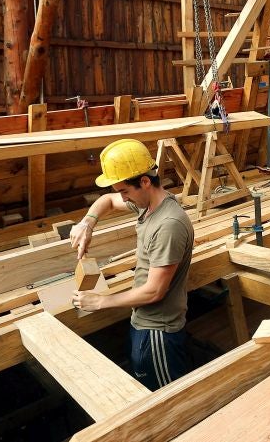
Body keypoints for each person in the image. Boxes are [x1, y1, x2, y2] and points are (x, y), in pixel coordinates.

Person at [69, 138, 194, 390]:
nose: (122, 197)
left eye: (125, 191)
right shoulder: (148, 205)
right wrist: (87, 223)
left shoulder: (168, 225)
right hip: (144, 323)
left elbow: (154, 291)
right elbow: (106, 201)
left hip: (158, 332)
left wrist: (100, 301)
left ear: (145, 181)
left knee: (168, 397)